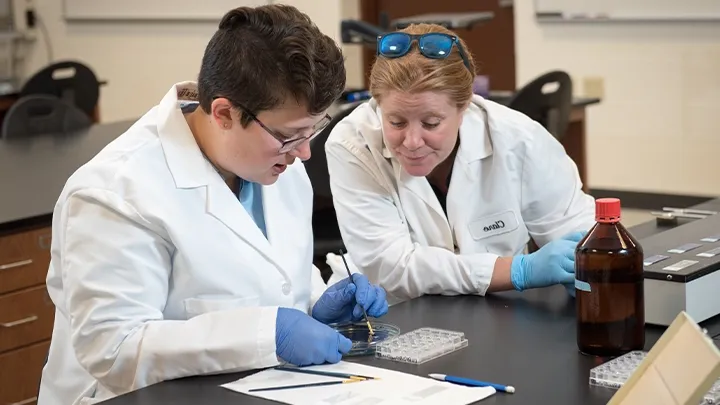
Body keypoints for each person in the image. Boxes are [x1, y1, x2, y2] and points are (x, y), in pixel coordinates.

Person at [38, 5, 388, 405]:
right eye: (291, 135)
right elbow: (115, 349)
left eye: (314, 129)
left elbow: (268, 273)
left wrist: (314, 302)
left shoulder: (275, 158)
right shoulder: (114, 192)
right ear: (224, 112)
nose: (306, 152)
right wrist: (269, 333)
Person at [325, 23, 595, 305]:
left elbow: (576, 227)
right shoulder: (353, 145)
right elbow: (392, 266)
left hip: (498, 313)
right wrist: (517, 271)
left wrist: (588, 266)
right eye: (396, 122)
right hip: (395, 313)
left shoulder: (519, 140)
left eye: (431, 123)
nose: (413, 141)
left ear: (465, 106)